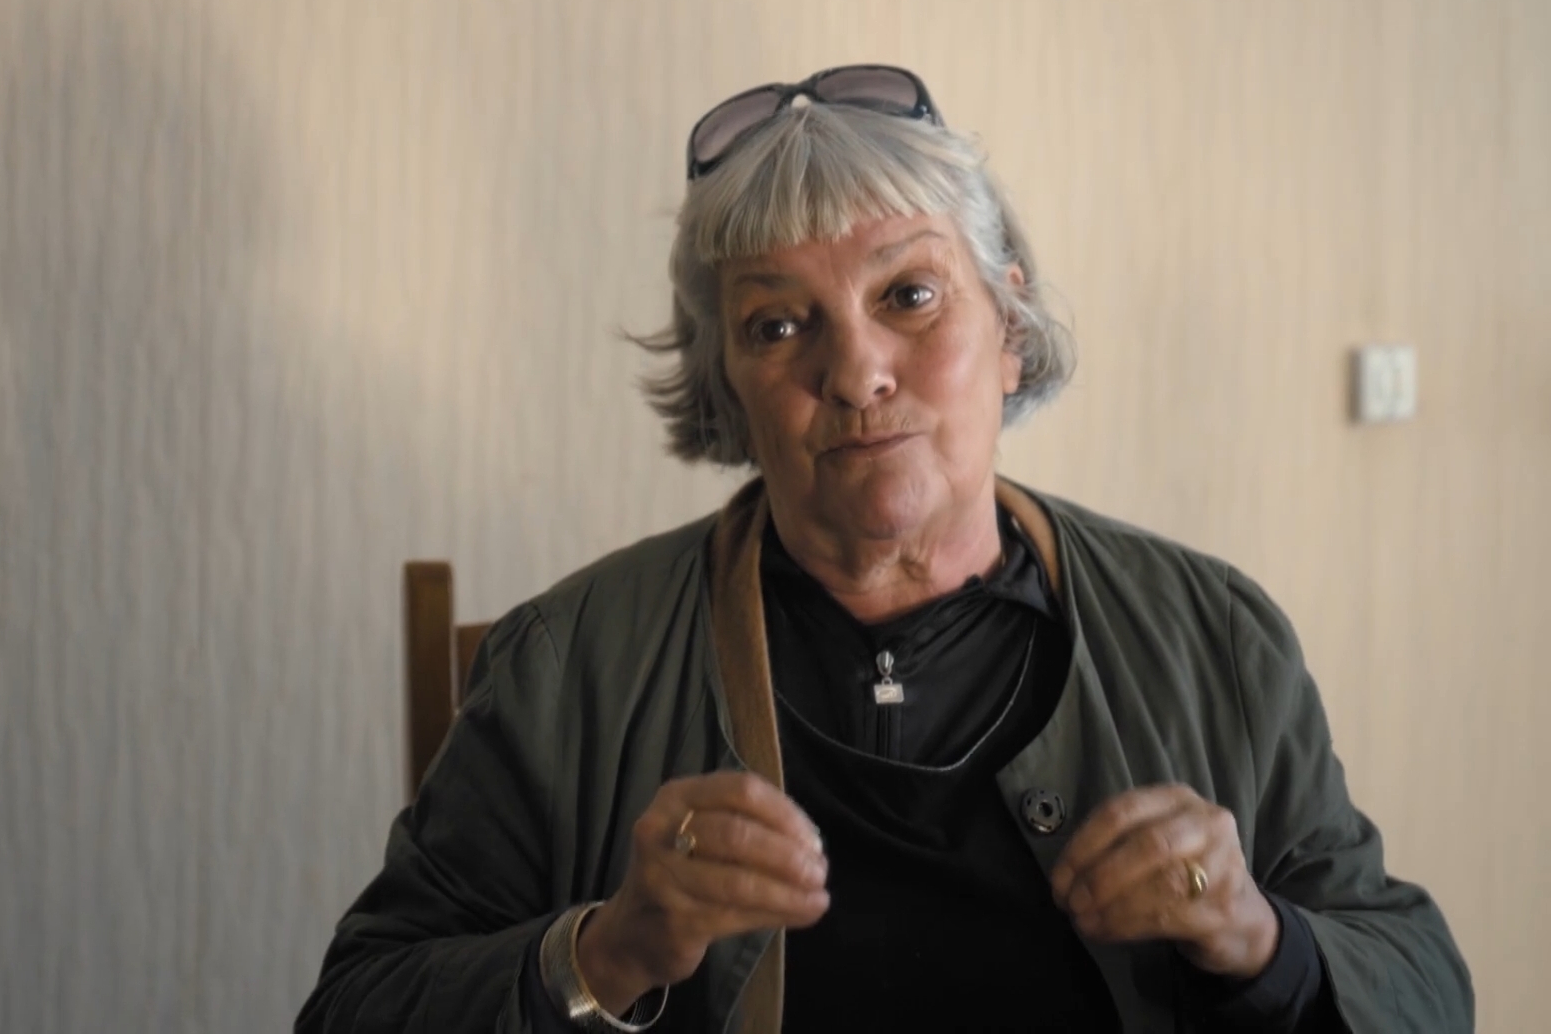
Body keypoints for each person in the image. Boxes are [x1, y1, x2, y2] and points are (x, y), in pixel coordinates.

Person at [296, 65, 1473, 1033]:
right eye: (778, 323)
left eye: (909, 294)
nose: (856, 372)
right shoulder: (566, 665)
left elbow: (1422, 981)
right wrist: (609, 950)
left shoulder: (1214, 632)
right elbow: (358, 1003)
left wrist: (1262, 941)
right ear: (728, 386)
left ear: (1009, 326)